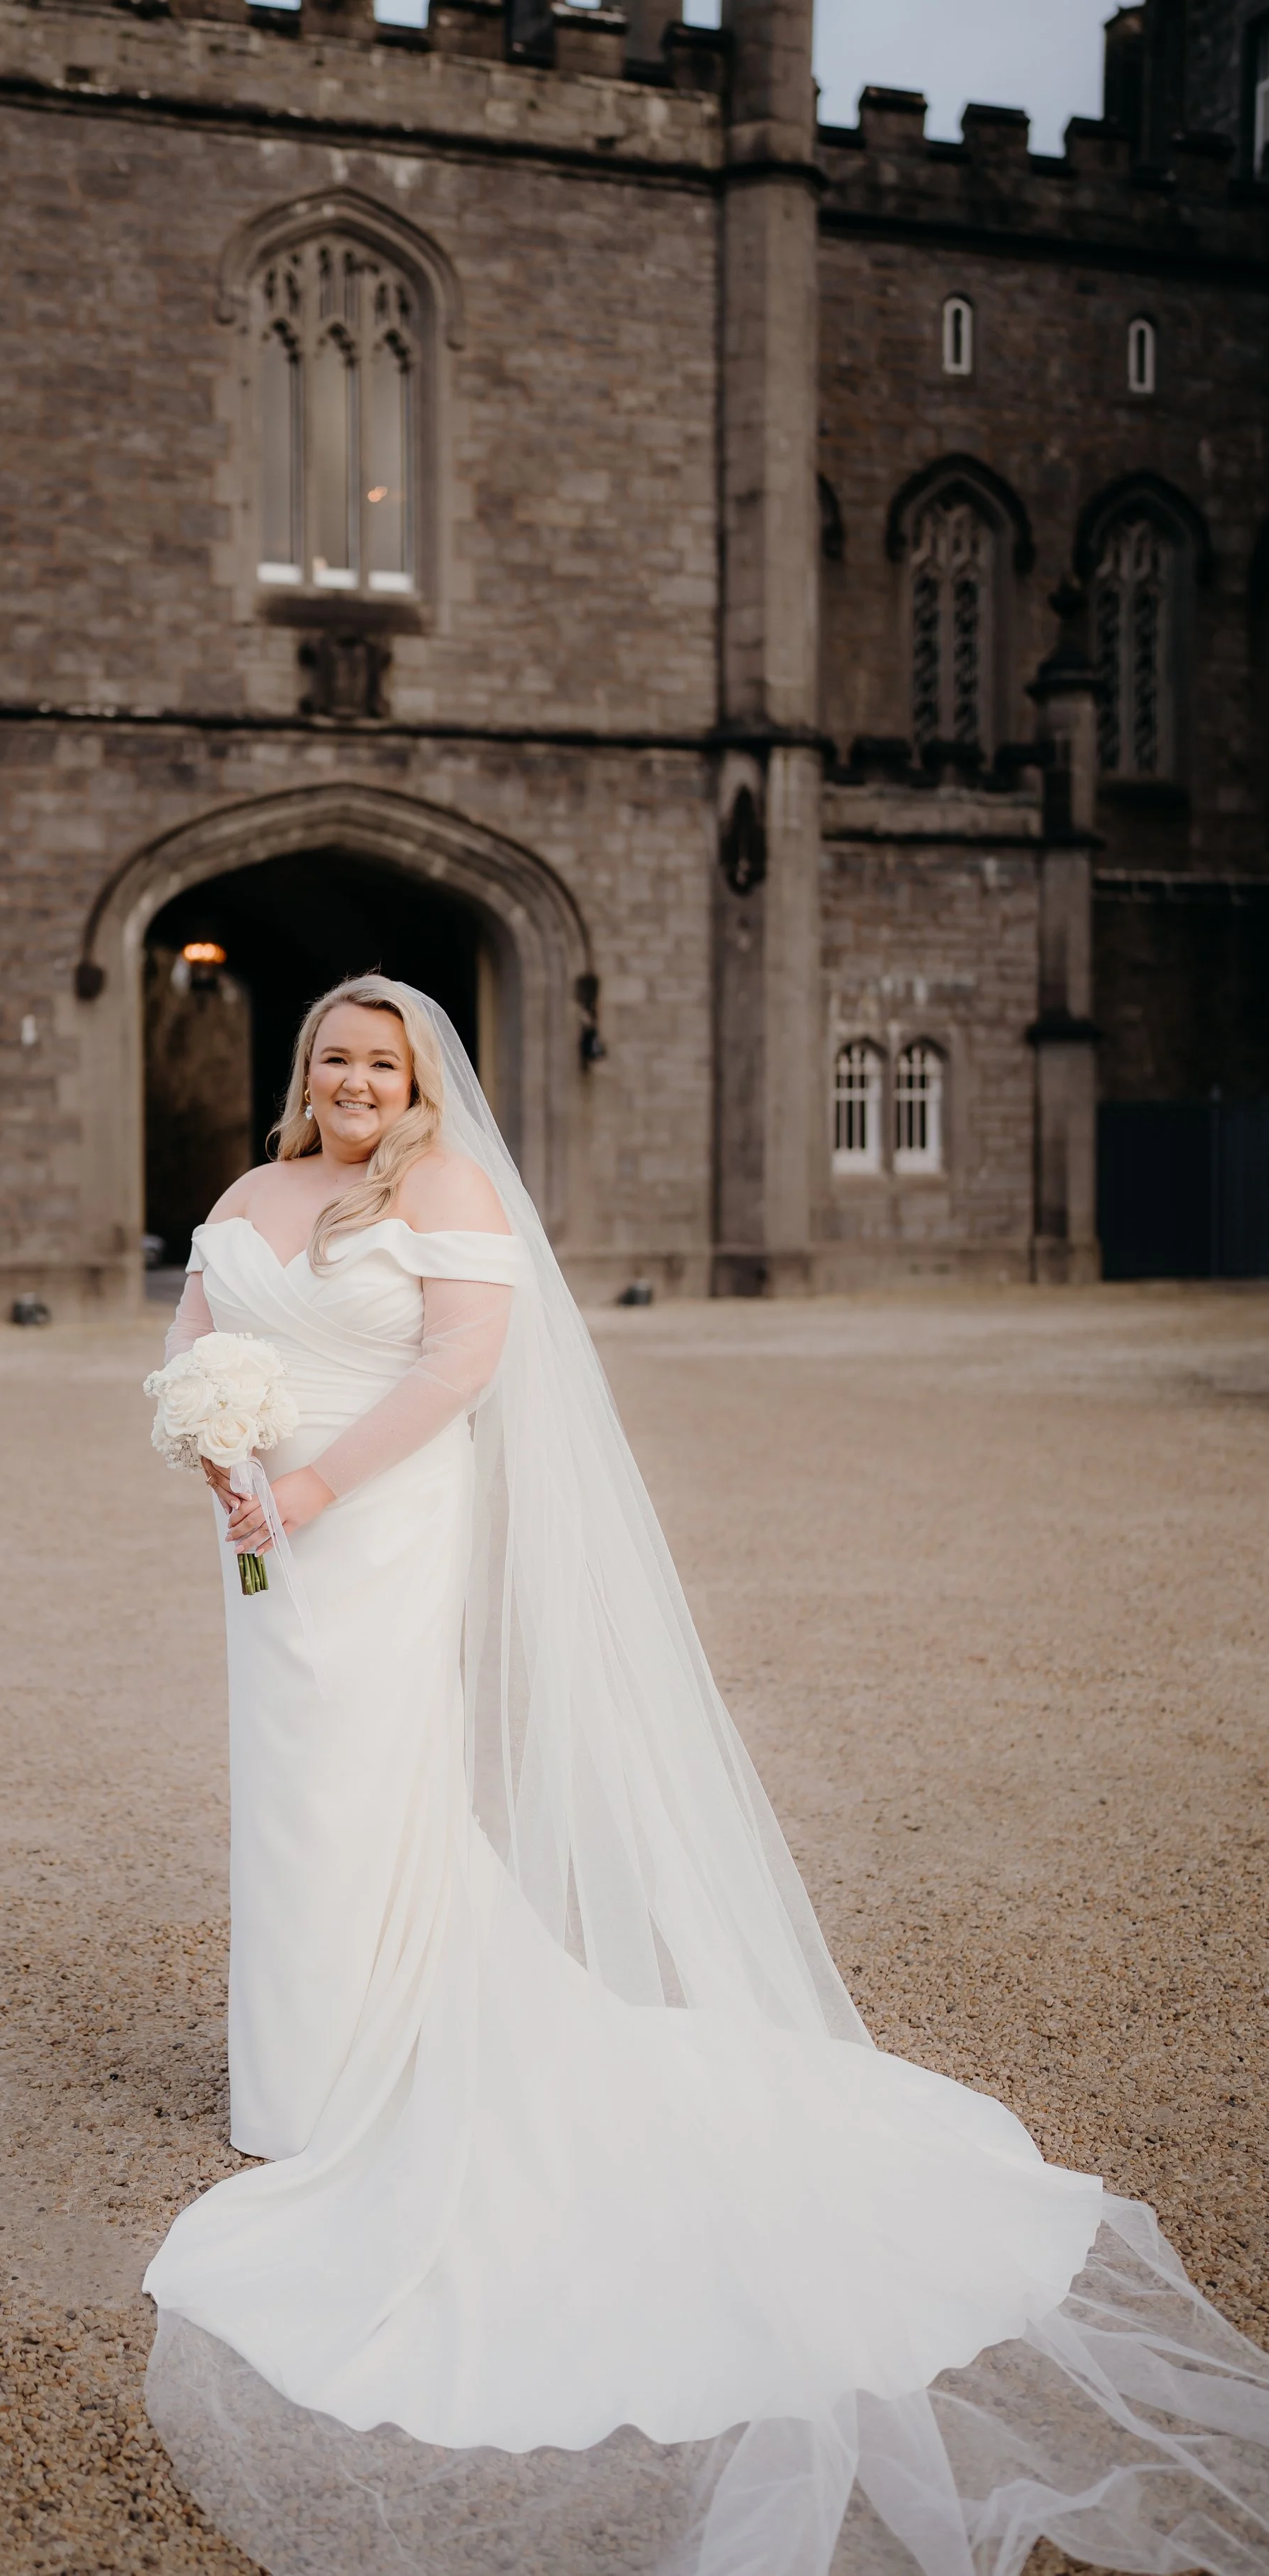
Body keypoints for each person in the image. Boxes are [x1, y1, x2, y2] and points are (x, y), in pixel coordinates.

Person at [141, 974, 1269, 2576]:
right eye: (330, 1056)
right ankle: (297, 2067)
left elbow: (458, 1367)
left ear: (413, 1084)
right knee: (287, 1782)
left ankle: (366, 2071)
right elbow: (194, 1337)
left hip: (375, 1517)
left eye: (377, 1063)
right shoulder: (254, 1192)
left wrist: (311, 1482)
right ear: (301, 1069)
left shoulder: (445, 1188)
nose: (350, 1082)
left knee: (371, 1768)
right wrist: (220, 1454)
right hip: (259, 1527)